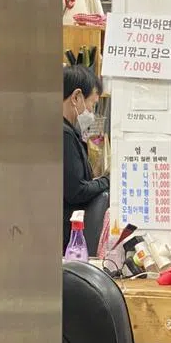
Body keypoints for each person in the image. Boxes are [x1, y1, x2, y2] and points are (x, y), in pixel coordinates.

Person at [62, 65, 107, 249]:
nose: (92, 111)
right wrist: (107, 181)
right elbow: (76, 191)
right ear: (76, 97)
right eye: (92, 104)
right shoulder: (64, 135)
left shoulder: (68, 132)